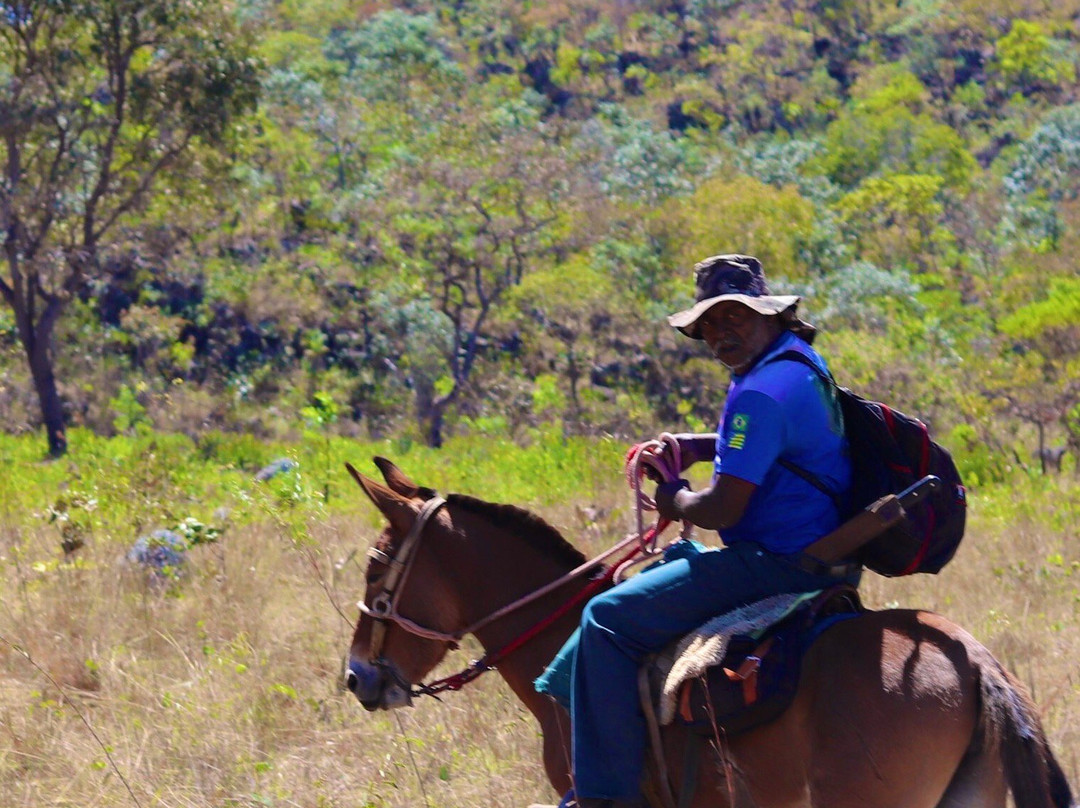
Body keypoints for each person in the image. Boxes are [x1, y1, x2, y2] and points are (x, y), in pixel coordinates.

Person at [563, 254, 855, 808]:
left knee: (603, 619)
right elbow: (772, 441)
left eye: (734, 315)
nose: (721, 332)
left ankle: (604, 798)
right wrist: (696, 446)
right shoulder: (800, 363)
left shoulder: (757, 394)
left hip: (775, 563)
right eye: (710, 323)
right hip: (826, 552)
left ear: (767, 314)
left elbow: (720, 509)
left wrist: (672, 496)